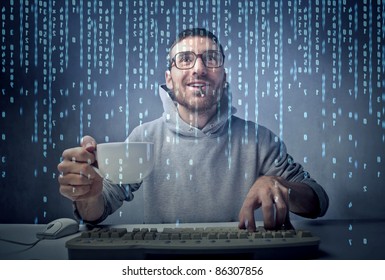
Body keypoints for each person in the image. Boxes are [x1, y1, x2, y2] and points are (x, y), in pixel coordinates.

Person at [57, 28, 329, 231]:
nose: (198, 69)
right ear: (170, 79)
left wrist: (281, 186)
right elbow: (98, 209)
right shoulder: (144, 138)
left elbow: (318, 200)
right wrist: (88, 195)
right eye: (185, 59)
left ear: (223, 78)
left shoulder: (259, 140)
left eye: (210, 58)